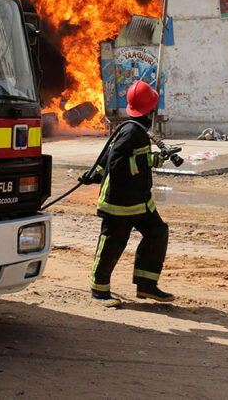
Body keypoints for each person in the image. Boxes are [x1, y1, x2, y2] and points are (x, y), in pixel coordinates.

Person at [79, 80, 174, 306]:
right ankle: (99, 290)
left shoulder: (135, 130)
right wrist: (152, 159)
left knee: (157, 232)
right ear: (151, 109)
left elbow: (109, 157)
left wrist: (94, 173)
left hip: (140, 201)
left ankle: (146, 285)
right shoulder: (131, 132)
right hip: (119, 203)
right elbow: (118, 164)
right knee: (113, 244)